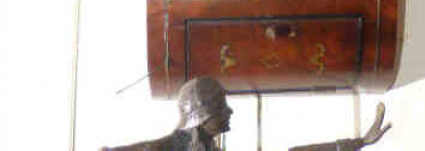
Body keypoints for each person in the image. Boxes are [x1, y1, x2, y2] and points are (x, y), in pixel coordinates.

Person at [101, 78, 390, 151]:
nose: (229, 111)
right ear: (204, 111)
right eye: (222, 105)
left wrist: (356, 142)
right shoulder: (173, 145)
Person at [101, 77, 232, 151]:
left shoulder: (206, 146)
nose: (230, 112)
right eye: (219, 107)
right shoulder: (178, 144)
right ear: (201, 116)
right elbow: (149, 148)